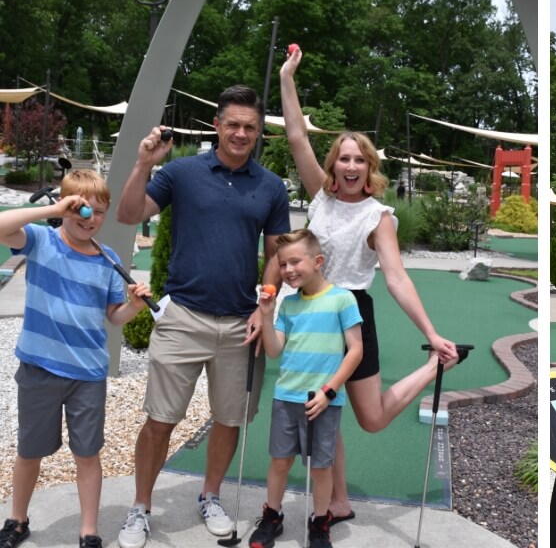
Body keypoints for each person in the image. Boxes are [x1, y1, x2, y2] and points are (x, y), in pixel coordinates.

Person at [279, 48, 460, 524]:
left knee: (372, 419)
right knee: (323, 409)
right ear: (333, 164)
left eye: (360, 159)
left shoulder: (378, 216)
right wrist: (287, 77)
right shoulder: (320, 193)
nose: (352, 166)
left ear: (370, 166)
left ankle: (429, 368)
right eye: (344, 158)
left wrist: (432, 330)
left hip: (351, 313)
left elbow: (396, 276)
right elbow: (296, 134)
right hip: (308, 313)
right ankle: (337, 502)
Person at [115, 85, 292, 548]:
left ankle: (210, 496)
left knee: (229, 420)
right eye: (232, 124)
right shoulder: (181, 173)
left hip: (240, 323)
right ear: (216, 125)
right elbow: (129, 212)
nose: (240, 133)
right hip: (183, 316)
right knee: (159, 420)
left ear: (259, 133)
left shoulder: (271, 187)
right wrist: (143, 164)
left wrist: (265, 302)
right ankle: (140, 509)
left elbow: (276, 254)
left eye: (250, 127)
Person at [0, 170, 151, 548]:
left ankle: (88, 530)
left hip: (87, 375)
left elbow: (113, 317)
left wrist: (133, 307)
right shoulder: (41, 241)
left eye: (99, 212)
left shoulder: (108, 259)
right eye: (81, 208)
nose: (90, 218)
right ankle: (17, 520)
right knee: (29, 451)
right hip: (39, 368)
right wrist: (53, 209)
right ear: (65, 206)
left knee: (87, 453)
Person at [247, 230, 363, 548]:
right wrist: (267, 317)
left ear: (318, 261)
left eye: (295, 261)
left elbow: (355, 351)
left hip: (321, 400)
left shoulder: (342, 299)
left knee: (321, 467)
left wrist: (329, 391)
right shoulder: (287, 306)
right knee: (280, 461)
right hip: (287, 397)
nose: (288, 270)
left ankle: (320, 521)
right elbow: (273, 350)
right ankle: (273, 515)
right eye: (283, 264)